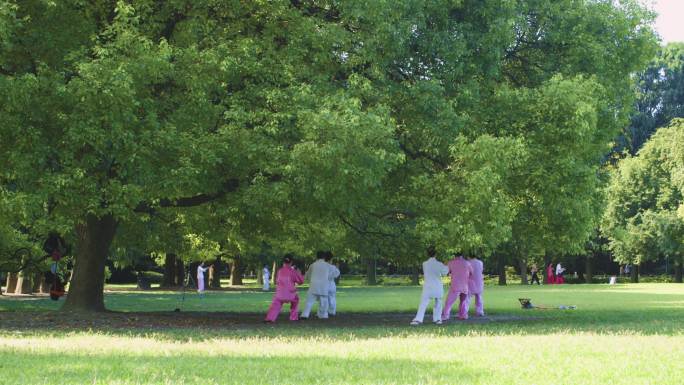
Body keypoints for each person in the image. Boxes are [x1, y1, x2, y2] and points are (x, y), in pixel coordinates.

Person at [411, 246, 449, 326]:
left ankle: (418, 319)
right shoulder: (439, 264)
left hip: (428, 287)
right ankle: (437, 319)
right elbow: (445, 273)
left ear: (428, 254)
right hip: (437, 287)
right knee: (438, 303)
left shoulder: (424, 264)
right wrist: (446, 265)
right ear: (435, 254)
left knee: (423, 304)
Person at [264, 255, 304, 322]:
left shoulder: (279, 271)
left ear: (283, 262)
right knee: (296, 300)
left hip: (279, 295)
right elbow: (301, 281)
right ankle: (293, 317)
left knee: (275, 304)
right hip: (291, 294)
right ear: (291, 262)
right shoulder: (293, 271)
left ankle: (270, 319)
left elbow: (277, 281)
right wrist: (299, 273)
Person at [301, 251, 338, 319]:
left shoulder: (313, 265)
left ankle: (305, 314)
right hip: (323, 287)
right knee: (324, 302)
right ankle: (323, 315)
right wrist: (329, 278)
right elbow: (336, 273)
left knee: (309, 302)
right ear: (324, 257)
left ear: (316, 256)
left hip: (313, 286)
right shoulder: (328, 265)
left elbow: (308, 275)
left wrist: (309, 280)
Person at [441, 253, 473, 321]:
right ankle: (463, 315)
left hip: (455, 286)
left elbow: (446, 272)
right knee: (463, 301)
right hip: (465, 286)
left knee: (449, 302)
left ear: (454, 255)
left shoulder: (451, 263)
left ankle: (445, 315)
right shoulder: (467, 263)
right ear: (462, 255)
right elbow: (471, 273)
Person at [325, 251, 341, 316]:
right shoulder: (333, 267)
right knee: (332, 298)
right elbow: (337, 274)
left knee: (324, 299)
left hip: (324, 285)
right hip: (331, 284)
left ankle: (324, 312)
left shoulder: (322, 267)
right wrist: (336, 268)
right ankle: (332, 312)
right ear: (331, 258)